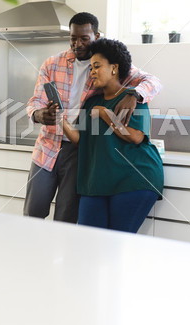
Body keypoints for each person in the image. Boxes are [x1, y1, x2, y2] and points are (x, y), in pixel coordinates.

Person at [24, 12, 162, 223]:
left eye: (84, 39)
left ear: (96, 35)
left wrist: (135, 94)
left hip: (79, 150)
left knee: (66, 217)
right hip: (47, 146)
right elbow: (35, 102)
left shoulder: (107, 63)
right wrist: (40, 114)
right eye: (72, 38)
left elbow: (152, 81)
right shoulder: (52, 64)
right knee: (31, 214)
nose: (77, 44)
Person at [62, 38, 164, 232]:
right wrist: (60, 120)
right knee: (88, 241)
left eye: (97, 66)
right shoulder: (91, 102)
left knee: (117, 243)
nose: (92, 72)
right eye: (91, 68)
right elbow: (81, 140)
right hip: (96, 183)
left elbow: (135, 136)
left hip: (133, 179)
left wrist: (104, 113)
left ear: (114, 68)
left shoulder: (132, 98)